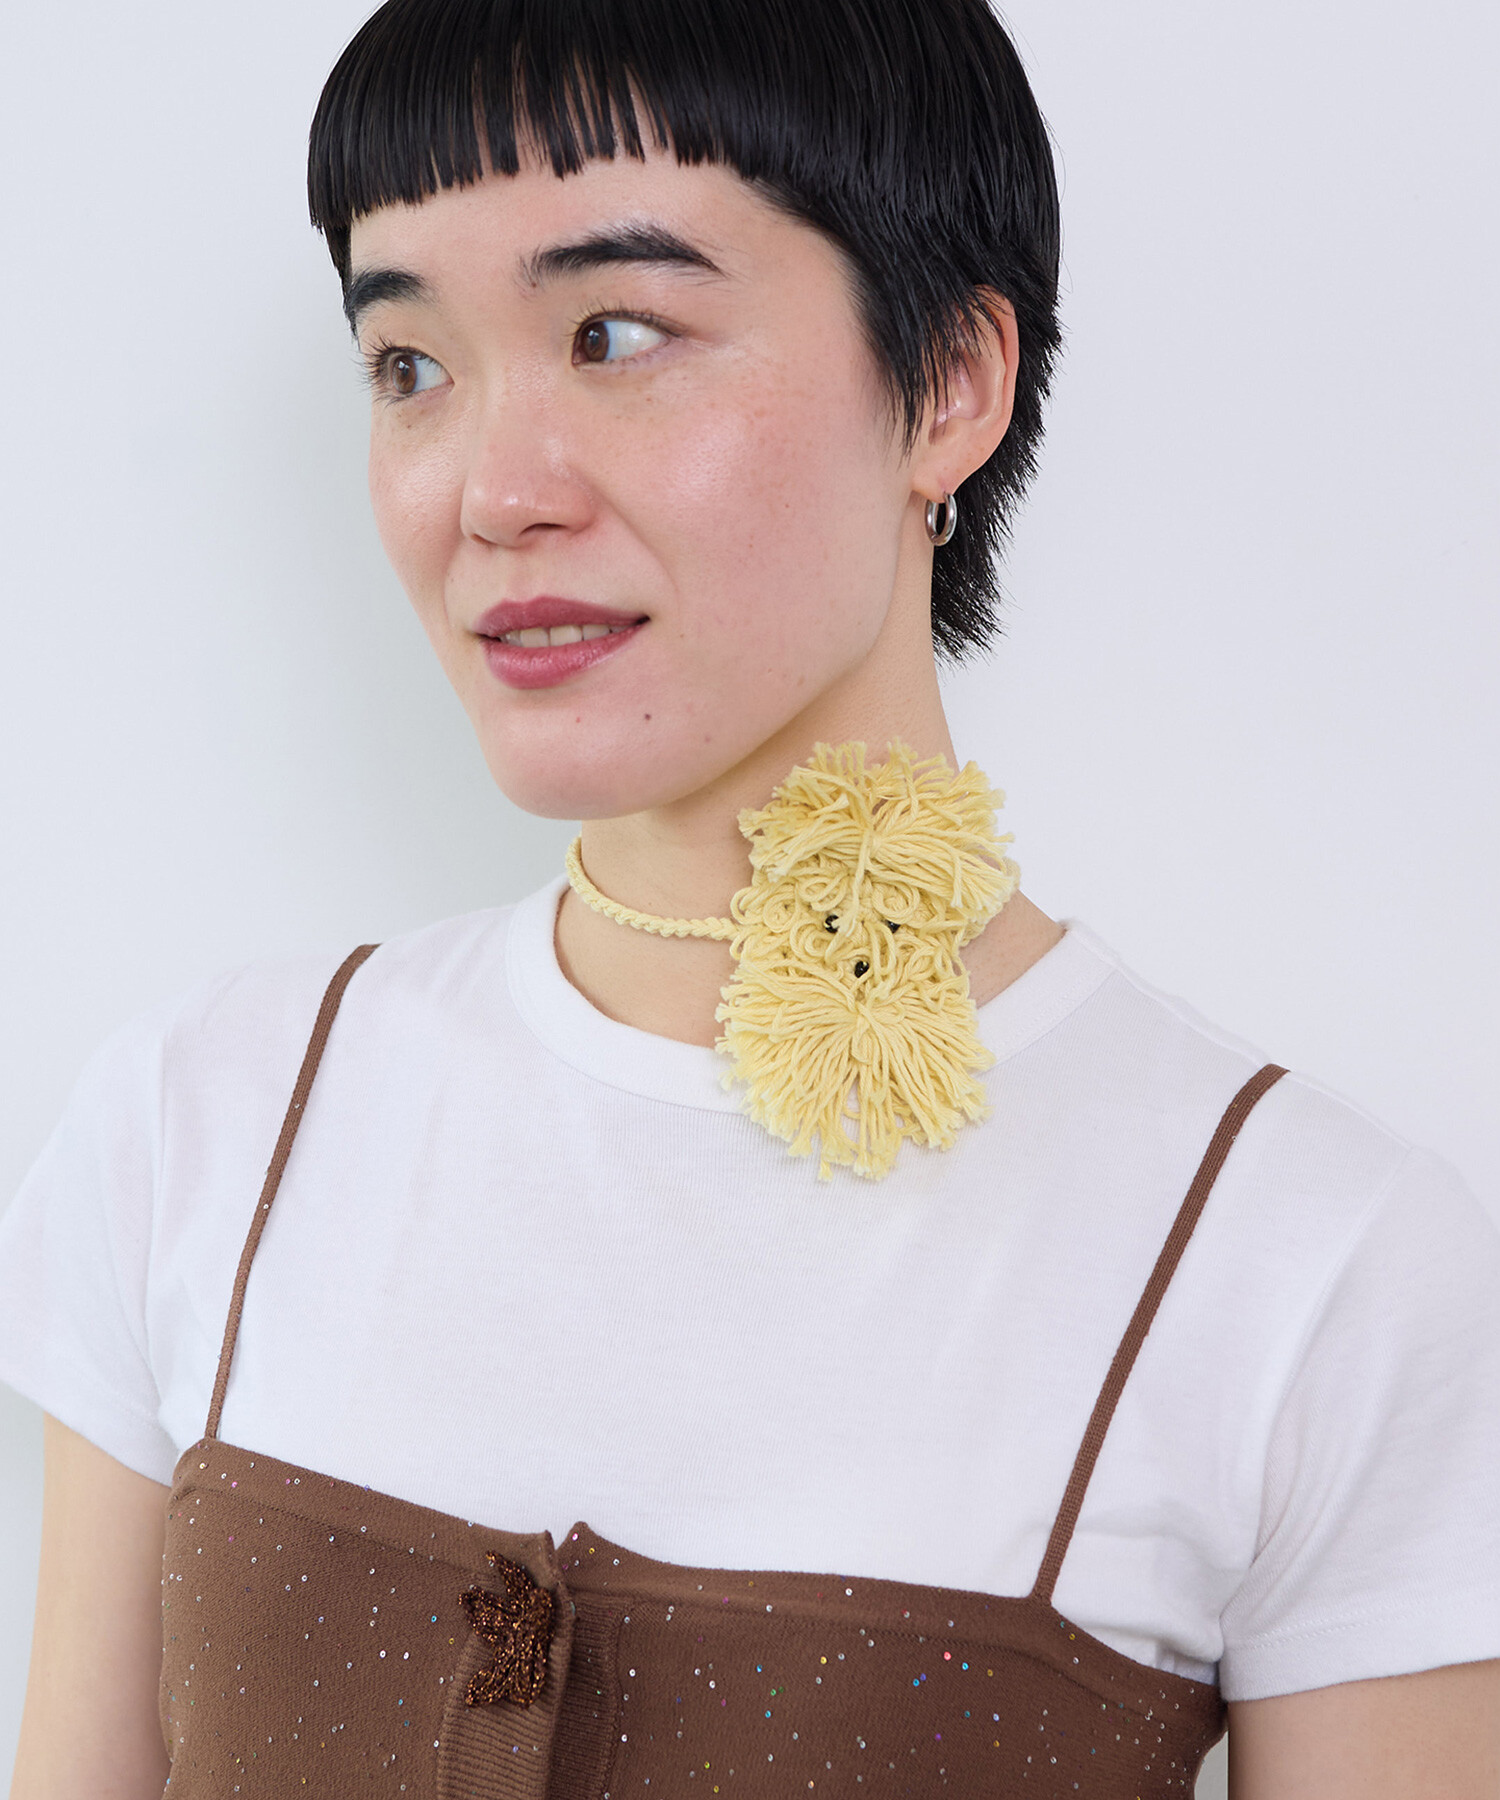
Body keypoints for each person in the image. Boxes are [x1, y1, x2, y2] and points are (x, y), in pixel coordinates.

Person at [3, 0, 1497, 1793]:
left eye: (615, 334)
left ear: (949, 384)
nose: (493, 492)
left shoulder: (1310, 1265)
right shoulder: (209, 1123)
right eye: (408, 365)